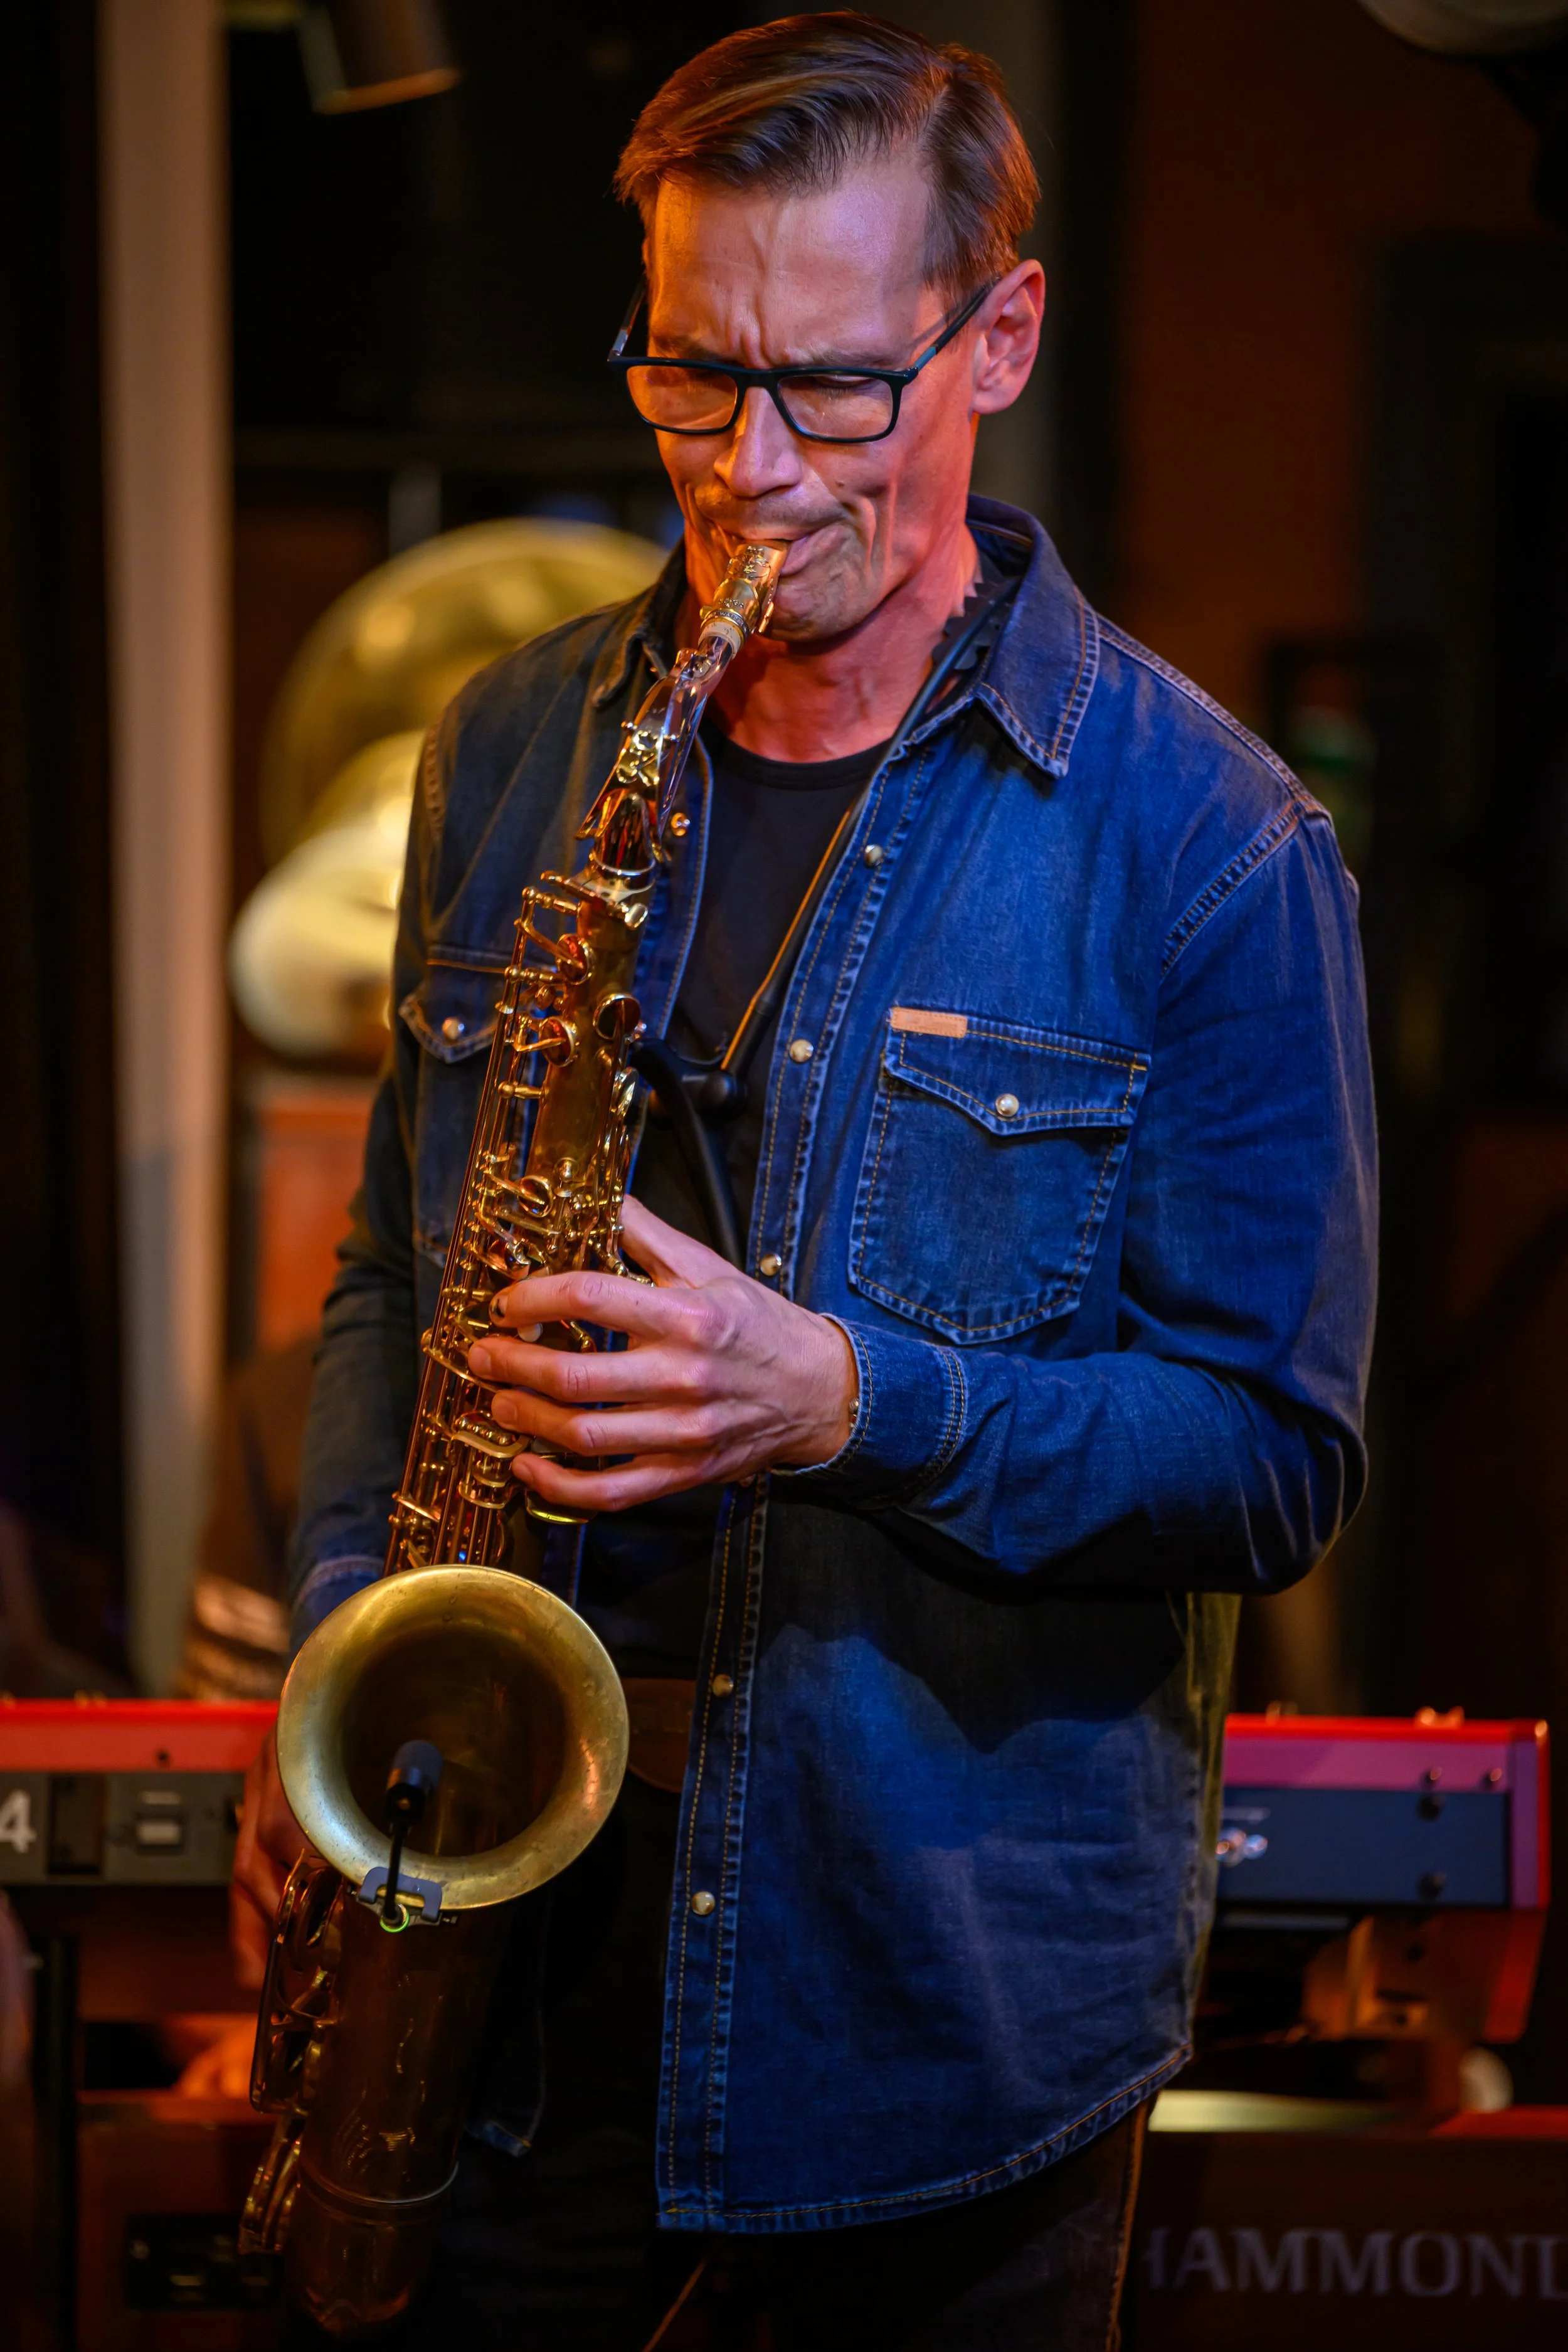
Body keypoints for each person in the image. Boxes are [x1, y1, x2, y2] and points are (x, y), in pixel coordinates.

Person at [231, 16, 1376, 2348]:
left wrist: (841, 1397)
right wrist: (356, 1637)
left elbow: (1272, 1452)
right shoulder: (516, 741)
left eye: (834, 388)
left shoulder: (1212, 843)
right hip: (489, 1957)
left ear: (1000, 335)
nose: (748, 473)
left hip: (923, 2036)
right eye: (691, 374)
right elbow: (389, 1277)